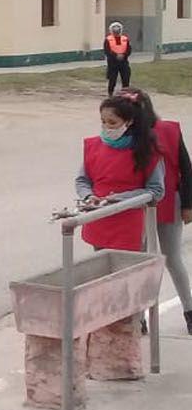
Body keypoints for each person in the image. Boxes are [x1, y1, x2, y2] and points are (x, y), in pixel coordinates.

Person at [117, 88, 192, 334]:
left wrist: (188, 205)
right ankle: (138, 317)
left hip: (168, 200)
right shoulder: (124, 135)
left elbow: (185, 167)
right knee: (142, 262)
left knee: (171, 258)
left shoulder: (167, 130)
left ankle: (188, 309)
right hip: (138, 205)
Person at [75, 95, 164, 252]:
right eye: (103, 121)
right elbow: (82, 180)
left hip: (129, 223)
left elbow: (156, 190)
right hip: (99, 218)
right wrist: (88, 197)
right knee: (104, 270)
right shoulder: (93, 146)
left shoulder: (147, 151)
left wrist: (119, 199)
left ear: (129, 122)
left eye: (112, 123)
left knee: (132, 272)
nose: (106, 127)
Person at [104, 21, 132, 96]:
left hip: (124, 62)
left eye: (118, 29)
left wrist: (124, 55)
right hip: (112, 62)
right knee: (112, 79)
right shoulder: (108, 39)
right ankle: (110, 93)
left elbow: (129, 49)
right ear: (111, 30)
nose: (116, 31)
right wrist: (116, 56)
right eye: (114, 30)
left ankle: (125, 93)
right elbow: (107, 51)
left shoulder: (125, 39)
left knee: (126, 78)